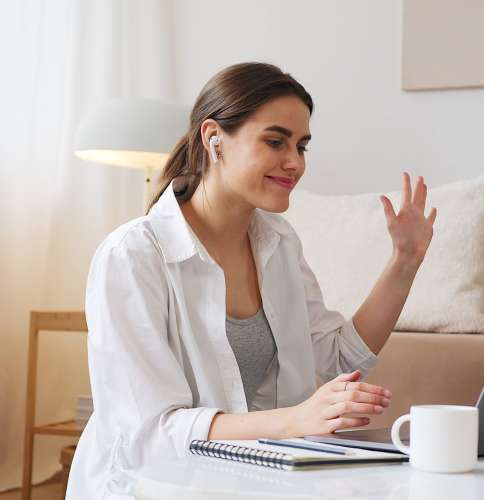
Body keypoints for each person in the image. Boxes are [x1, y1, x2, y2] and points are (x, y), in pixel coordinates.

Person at [66, 62, 437, 498]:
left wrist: (405, 261)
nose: (295, 163)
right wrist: (297, 420)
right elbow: (152, 433)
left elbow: (338, 357)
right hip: (151, 485)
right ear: (213, 139)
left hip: (251, 480)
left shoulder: (278, 242)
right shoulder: (132, 256)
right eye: (275, 141)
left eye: (302, 146)